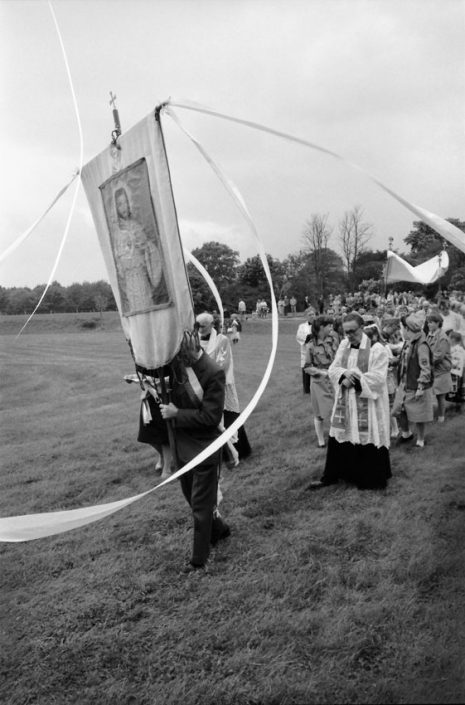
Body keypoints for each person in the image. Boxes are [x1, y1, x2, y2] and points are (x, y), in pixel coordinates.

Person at [155, 331, 231, 573]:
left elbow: (211, 417)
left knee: (199, 506)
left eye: (180, 354)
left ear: (190, 349)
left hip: (204, 450)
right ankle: (220, 530)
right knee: (192, 498)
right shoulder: (180, 365)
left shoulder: (213, 372)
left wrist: (177, 414)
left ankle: (199, 559)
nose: (177, 359)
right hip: (182, 447)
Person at [308, 312, 391, 490]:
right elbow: (333, 369)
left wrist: (353, 378)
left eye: (353, 331)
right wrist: (344, 375)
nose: (349, 335)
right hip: (346, 400)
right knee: (343, 433)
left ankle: (367, 478)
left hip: (366, 402)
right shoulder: (344, 345)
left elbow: (378, 378)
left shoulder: (377, 350)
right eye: (346, 332)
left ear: (362, 328)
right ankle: (336, 474)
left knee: (364, 435)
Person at [196, 312, 251, 461]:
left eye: (203, 326)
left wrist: (209, 378)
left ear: (212, 325)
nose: (200, 329)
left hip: (221, 385)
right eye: (198, 326)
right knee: (210, 418)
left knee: (229, 416)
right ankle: (215, 453)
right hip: (203, 387)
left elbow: (223, 363)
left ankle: (238, 451)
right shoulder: (195, 341)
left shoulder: (222, 340)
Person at [112, 187, 169, 315]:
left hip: (141, 276)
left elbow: (147, 248)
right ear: (115, 207)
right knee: (134, 310)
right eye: (120, 204)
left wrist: (144, 248)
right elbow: (118, 257)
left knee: (145, 305)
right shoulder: (116, 231)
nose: (124, 207)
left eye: (125, 202)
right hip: (128, 279)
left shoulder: (137, 226)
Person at [394, 312, 434, 448]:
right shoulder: (408, 342)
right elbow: (404, 360)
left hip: (416, 385)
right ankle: (406, 434)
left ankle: (420, 440)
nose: (401, 331)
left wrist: (421, 387)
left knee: (419, 414)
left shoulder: (421, 344)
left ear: (408, 329)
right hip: (404, 383)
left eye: (402, 328)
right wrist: (393, 361)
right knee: (398, 410)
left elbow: (425, 368)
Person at [303, 315, 338, 447]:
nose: (331, 328)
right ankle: (321, 440)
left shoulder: (333, 340)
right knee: (319, 413)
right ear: (322, 327)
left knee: (336, 409)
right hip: (319, 383)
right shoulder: (311, 345)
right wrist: (322, 372)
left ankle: (336, 436)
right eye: (329, 325)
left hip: (333, 380)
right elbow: (307, 367)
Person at [426, 311, 452, 423]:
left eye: (431, 322)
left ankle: (441, 417)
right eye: (428, 322)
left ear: (438, 323)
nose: (428, 324)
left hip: (441, 370)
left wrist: (425, 362)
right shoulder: (430, 334)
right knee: (435, 394)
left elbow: (439, 356)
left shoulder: (442, 337)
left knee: (441, 396)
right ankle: (434, 414)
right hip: (434, 370)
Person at [296, 307, 315, 394]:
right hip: (306, 351)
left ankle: (316, 388)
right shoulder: (302, 326)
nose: (312, 316)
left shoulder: (319, 325)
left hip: (317, 351)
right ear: (306, 316)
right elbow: (299, 337)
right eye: (309, 315)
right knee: (306, 368)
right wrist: (308, 339)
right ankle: (307, 389)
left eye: (313, 314)